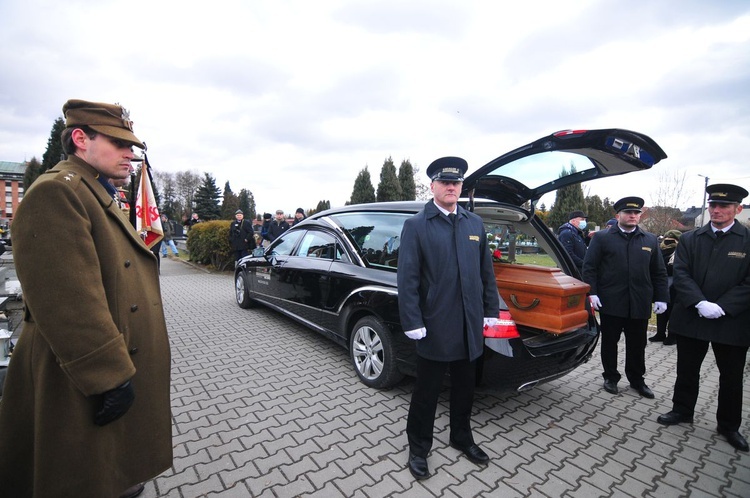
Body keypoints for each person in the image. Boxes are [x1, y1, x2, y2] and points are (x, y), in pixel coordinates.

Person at [0, 99, 172, 497]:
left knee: (111, 475)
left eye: (133, 145)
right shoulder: (56, 194)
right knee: (79, 478)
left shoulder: (92, 190)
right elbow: (66, 301)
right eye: (119, 142)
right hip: (79, 377)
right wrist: (109, 376)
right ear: (80, 139)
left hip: (94, 373)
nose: (131, 153)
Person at [397, 157, 500, 480]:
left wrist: (490, 313)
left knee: (465, 387)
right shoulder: (417, 225)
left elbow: (486, 273)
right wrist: (413, 321)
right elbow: (408, 278)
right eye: (445, 183)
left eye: (456, 183)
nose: (452, 187)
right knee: (427, 391)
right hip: (435, 325)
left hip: (469, 324)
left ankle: (461, 436)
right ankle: (418, 447)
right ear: (433, 187)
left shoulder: (473, 224)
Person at [657, 184, 750, 452]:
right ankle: (682, 410)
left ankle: (729, 425)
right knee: (687, 369)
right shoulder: (690, 238)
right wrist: (699, 302)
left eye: (724, 206)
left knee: (731, 377)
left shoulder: (747, 240)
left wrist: (722, 306)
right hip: (692, 316)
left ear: (738, 209)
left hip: (731, 320)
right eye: (713, 205)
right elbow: (681, 273)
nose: (717, 210)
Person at [582, 196, 669, 399]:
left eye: (636, 213)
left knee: (637, 344)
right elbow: (590, 267)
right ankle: (610, 376)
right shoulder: (602, 238)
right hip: (612, 301)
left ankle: (637, 379)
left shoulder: (649, 239)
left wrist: (662, 298)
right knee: (610, 341)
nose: (632, 216)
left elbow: (659, 272)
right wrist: (592, 292)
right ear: (618, 215)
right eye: (628, 212)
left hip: (639, 302)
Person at [649, 229, 681, 344]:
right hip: (662, 284)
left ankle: (672, 335)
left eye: (671, 241)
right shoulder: (660, 250)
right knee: (661, 310)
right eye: (666, 240)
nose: (667, 243)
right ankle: (660, 333)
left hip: (675, 286)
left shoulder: (680, 252)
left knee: (673, 312)